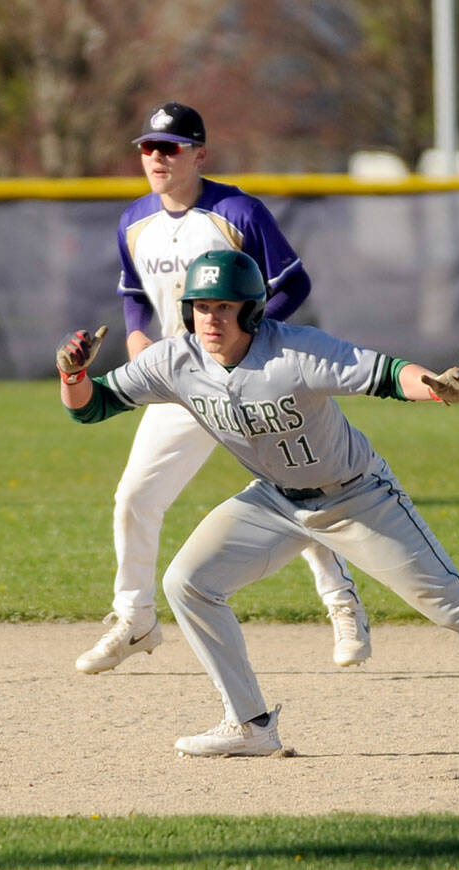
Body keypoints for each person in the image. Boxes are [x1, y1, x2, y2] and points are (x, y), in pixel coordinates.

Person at [56, 249, 459, 759]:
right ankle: (251, 725)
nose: (211, 318)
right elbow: (92, 407)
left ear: (250, 310)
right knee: (188, 582)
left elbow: (387, 373)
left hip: (357, 497)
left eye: (225, 306)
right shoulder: (176, 361)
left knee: (454, 604)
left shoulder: (295, 352)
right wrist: (72, 375)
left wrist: (433, 384)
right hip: (274, 502)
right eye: (201, 306)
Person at [73, 101, 372, 676]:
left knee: (295, 490)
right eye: (148, 148)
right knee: (135, 497)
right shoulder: (134, 219)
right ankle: (134, 619)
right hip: (184, 381)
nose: (156, 158)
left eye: (170, 147)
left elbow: (293, 282)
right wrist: (137, 337)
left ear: (199, 153)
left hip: (254, 378)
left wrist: (251, 336)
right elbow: (134, 291)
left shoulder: (237, 210)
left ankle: (342, 602)